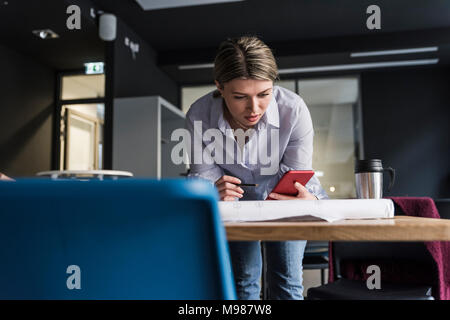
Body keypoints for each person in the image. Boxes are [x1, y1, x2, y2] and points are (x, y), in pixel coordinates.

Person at [186, 36, 328, 300]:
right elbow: (204, 177)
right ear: (220, 86)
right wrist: (212, 191)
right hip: (236, 205)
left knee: (286, 281)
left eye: (264, 94)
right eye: (240, 97)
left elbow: (294, 177)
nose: (254, 108)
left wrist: (305, 198)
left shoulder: (293, 111)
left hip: (287, 202)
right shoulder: (199, 114)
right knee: (243, 282)